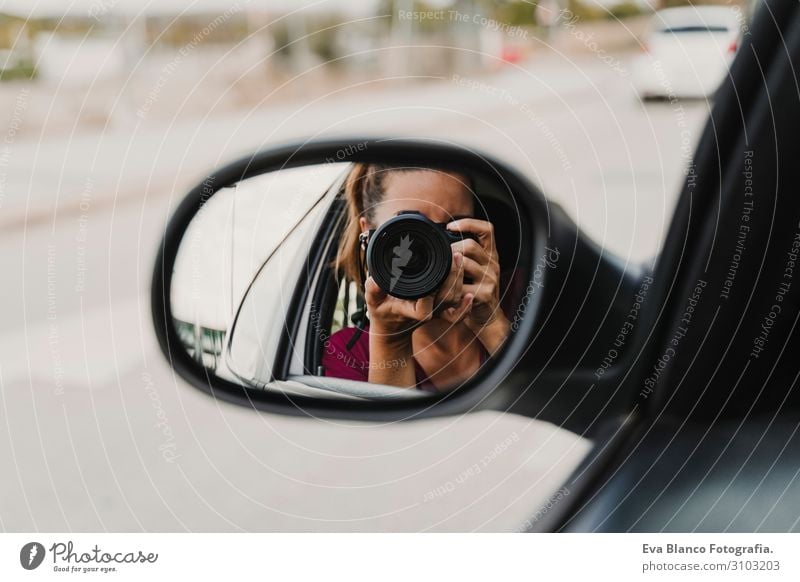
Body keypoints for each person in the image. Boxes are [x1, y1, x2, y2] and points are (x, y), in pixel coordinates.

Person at [322, 163, 511, 391]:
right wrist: (391, 339)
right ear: (369, 236)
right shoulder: (349, 354)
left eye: (452, 230)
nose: (430, 249)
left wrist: (490, 323)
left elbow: (550, 402)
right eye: (409, 230)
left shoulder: (523, 299)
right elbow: (393, 427)